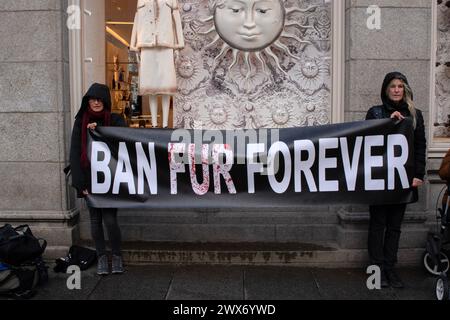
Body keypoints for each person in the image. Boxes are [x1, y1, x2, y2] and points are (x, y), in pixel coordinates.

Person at [365, 72, 426, 288]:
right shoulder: (375, 112)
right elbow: (366, 142)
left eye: (401, 86)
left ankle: (390, 268)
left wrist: (419, 174)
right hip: (379, 180)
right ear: (386, 89)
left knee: (394, 226)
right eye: (393, 86)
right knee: (377, 225)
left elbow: (420, 146)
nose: (397, 89)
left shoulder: (414, 114)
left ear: (405, 89)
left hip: (402, 180)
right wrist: (386, 124)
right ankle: (376, 269)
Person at [69, 83, 127, 275]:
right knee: (95, 220)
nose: (96, 102)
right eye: (92, 99)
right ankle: (102, 256)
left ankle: (116, 256)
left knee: (110, 220)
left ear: (106, 102)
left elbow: (124, 139)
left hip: (110, 178)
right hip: (89, 179)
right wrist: (80, 183)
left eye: (100, 99)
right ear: (87, 101)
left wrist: (100, 129)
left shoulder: (115, 119)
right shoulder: (80, 122)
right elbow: (75, 153)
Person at [130, 0, 185, 128]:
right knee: (150, 87)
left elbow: (176, 20)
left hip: (166, 44)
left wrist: (178, 45)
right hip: (146, 44)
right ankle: (154, 123)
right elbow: (137, 20)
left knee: (166, 86)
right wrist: (134, 45)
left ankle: (165, 124)